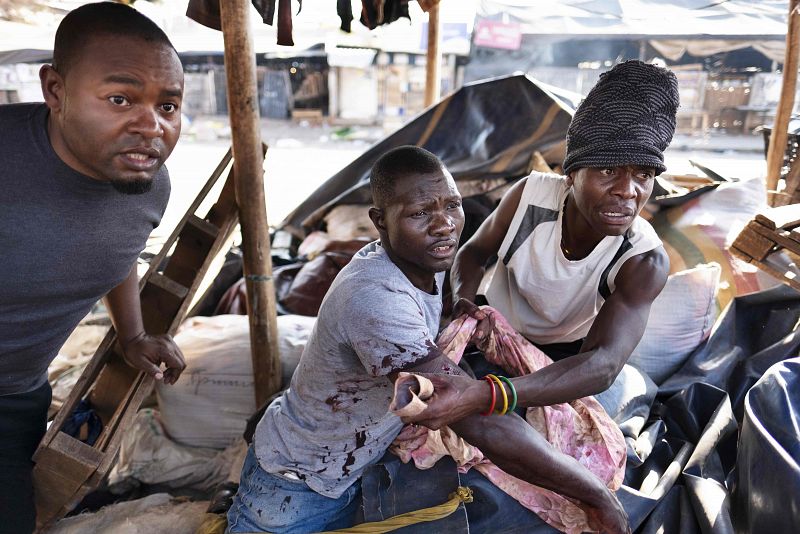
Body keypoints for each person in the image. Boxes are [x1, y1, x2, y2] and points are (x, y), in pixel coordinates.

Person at [227, 146, 629, 534]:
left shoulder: (422, 260)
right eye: (420, 213)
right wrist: (595, 495)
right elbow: (480, 423)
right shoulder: (376, 298)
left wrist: (462, 319)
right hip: (294, 487)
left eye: (452, 206)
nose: (444, 225)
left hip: (350, 466)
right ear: (380, 220)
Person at [401, 60, 677, 431]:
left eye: (643, 174)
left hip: (565, 361)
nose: (628, 191)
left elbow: (602, 364)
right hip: (492, 336)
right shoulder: (529, 198)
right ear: (571, 173)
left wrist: (488, 395)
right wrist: (464, 306)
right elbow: (473, 254)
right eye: (609, 170)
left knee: (549, 432)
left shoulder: (642, 259)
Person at [0, 3, 186, 532]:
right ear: (55, 91)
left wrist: (134, 335)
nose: (151, 126)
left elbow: (116, 250)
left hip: (17, 396)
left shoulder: (146, 185)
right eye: (120, 99)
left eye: (168, 106)